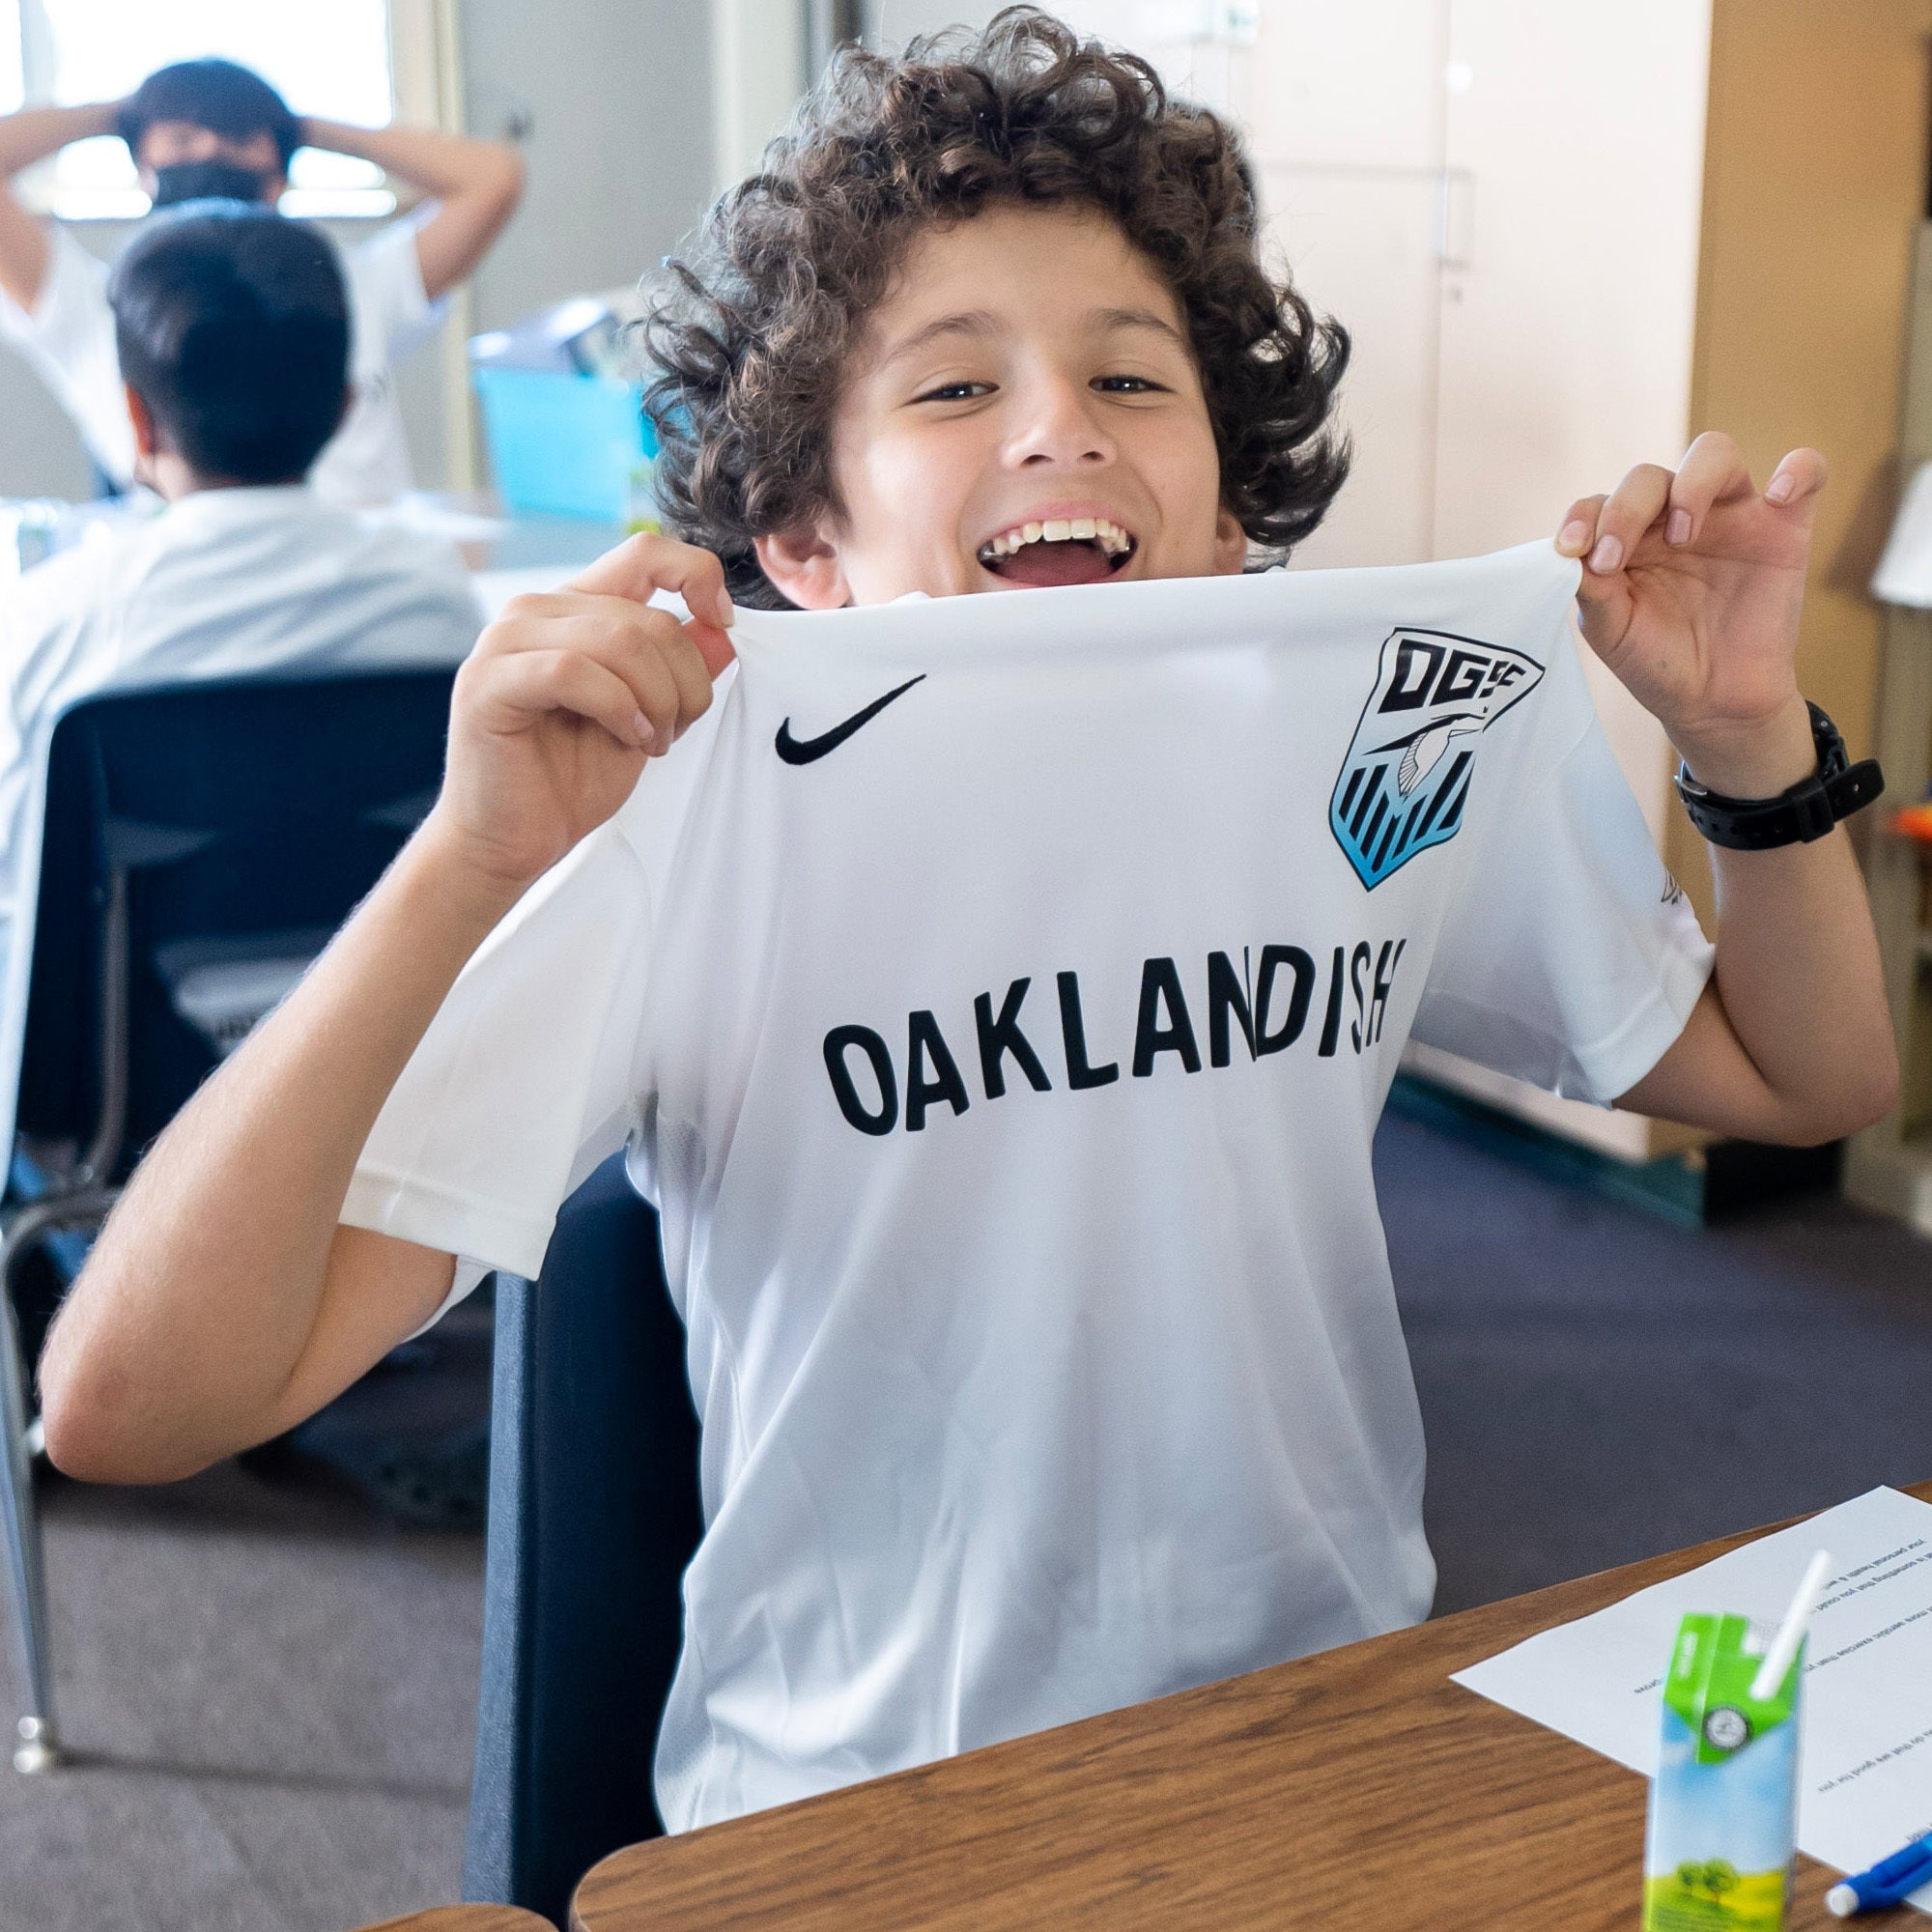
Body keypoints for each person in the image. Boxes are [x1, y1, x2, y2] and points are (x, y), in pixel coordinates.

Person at [39, 12, 1896, 1832]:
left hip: (1327, 1735)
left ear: (1233, 503)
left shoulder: (1363, 741)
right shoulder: (691, 811)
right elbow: (125, 1402)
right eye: (951, 385)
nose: (1057, 432)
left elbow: (1805, 1078)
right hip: (868, 1813)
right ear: (805, 541)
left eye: (1132, 378)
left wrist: (1739, 736)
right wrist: (461, 864)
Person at [0, 200, 484, 1150]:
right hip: (390, 1065)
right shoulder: (436, 603)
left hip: (117, 1098)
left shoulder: (54, 621)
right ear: (348, 407)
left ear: (135, 417)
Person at [0, 57, 524, 503]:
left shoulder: (350, 287)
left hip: (359, 578)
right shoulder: (91, 304)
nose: (209, 150)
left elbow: (493, 177)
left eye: (237, 137)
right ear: (142, 165)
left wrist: (297, 126)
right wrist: (126, 114)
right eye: (183, 136)